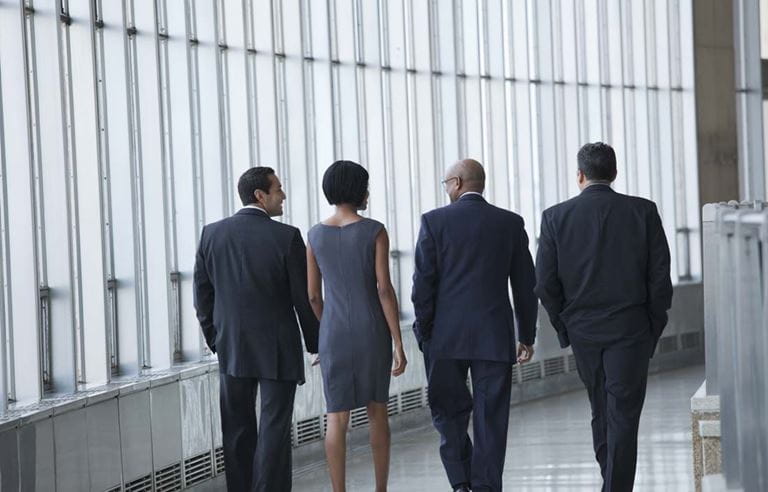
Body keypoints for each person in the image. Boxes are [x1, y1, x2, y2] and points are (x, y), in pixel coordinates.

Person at [534, 142, 673, 491]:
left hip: (583, 330)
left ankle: (610, 482)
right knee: (622, 413)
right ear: (614, 173)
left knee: (600, 407)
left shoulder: (555, 217)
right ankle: (614, 484)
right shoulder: (643, 212)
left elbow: (545, 283)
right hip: (631, 328)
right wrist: (653, 327)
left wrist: (564, 327)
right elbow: (659, 277)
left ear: (580, 175)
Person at [412, 159, 538, 492]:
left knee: (448, 412)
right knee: (491, 418)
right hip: (494, 336)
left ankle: (460, 482)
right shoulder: (510, 223)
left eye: (445, 183)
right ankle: (485, 486)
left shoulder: (433, 222)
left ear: (456, 182)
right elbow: (525, 284)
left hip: (444, 337)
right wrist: (526, 334)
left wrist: (424, 332)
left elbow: (423, 284)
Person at [193, 167, 319, 492]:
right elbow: (303, 298)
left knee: (236, 428)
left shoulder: (212, 234)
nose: (284, 195)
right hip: (277, 347)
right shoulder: (287, 237)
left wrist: (216, 339)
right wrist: (316, 342)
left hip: (232, 346)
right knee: (274, 428)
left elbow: (202, 295)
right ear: (260, 196)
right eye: (278, 189)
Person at [306, 160, 407, 492]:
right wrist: (398, 342)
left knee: (336, 417)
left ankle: (339, 490)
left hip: (333, 332)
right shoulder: (374, 230)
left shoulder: (315, 235)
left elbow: (313, 297)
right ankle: (380, 489)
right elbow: (384, 290)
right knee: (377, 411)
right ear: (357, 190)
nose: (368, 192)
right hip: (371, 330)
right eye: (365, 185)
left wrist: (329, 330)